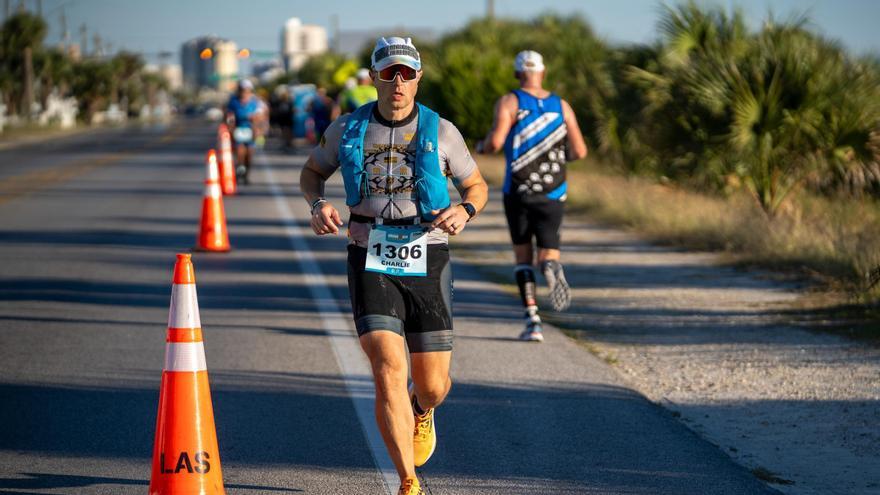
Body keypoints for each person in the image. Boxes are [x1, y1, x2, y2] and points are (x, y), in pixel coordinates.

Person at [300, 36, 488, 495]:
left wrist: (465, 210)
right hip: (371, 254)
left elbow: (476, 185)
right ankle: (409, 481)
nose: (398, 81)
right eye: (389, 73)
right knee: (387, 366)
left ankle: (422, 411)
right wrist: (318, 203)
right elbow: (311, 172)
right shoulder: (347, 127)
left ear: (418, 78)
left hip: (429, 253)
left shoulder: (442, 131)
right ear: (374, 79)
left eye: (406, 73)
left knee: (433, 385)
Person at [476, 50, 588, 342]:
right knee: (548, 250)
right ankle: (550, 265)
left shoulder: (510, 101)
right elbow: (579, 151)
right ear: (543, 71)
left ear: (517, 74)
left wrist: (481, 146)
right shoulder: (561, 105)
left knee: (522, 256)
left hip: (520, 191)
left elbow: (496, 141)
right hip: (554, 192)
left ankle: (533, 321)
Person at [225, 79, 262, 184]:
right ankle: (240, 170)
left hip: (250, 130)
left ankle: (246, 175)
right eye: (242, 90)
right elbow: (229, 116)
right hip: (239, 129)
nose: (244, 92)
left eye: (246, 90)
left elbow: (260, 115)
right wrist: (230, 127)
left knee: (249, 155)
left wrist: (256, 123)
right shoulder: (233, 101)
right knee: (240, 153)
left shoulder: (254, 102)